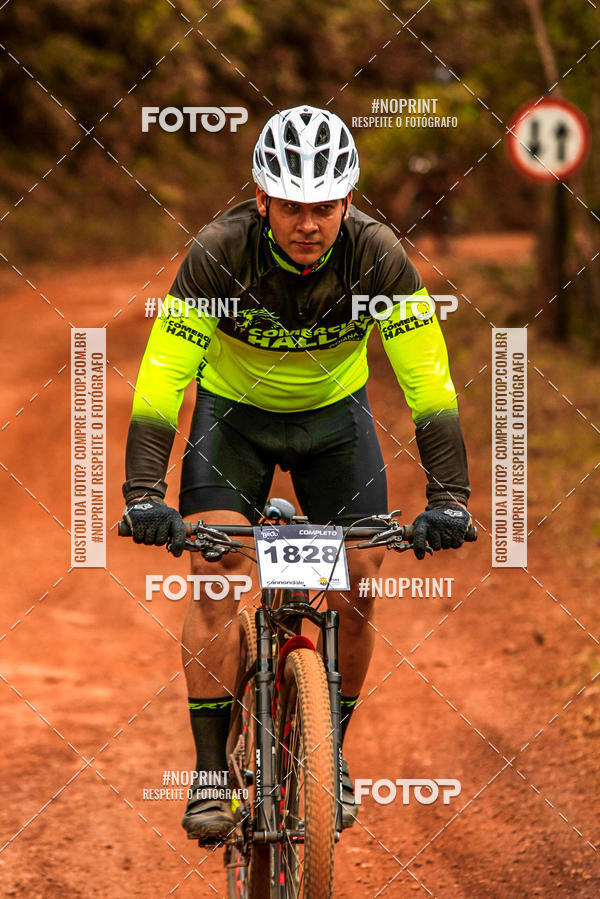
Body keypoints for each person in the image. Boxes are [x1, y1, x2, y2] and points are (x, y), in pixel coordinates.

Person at [122, 104, 471, 841]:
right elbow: (161, 379)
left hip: (333, 423)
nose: (307, 222)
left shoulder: (378, 257)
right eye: (290, 206)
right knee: (219, 578)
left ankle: (328, 752)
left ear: (347, 202)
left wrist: (449, 497)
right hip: (233, 421)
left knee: (362, 574)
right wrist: (144, 494)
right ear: (262, 201)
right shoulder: (218, 253)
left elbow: (429, 385)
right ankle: (212, 771)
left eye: (322, 205)